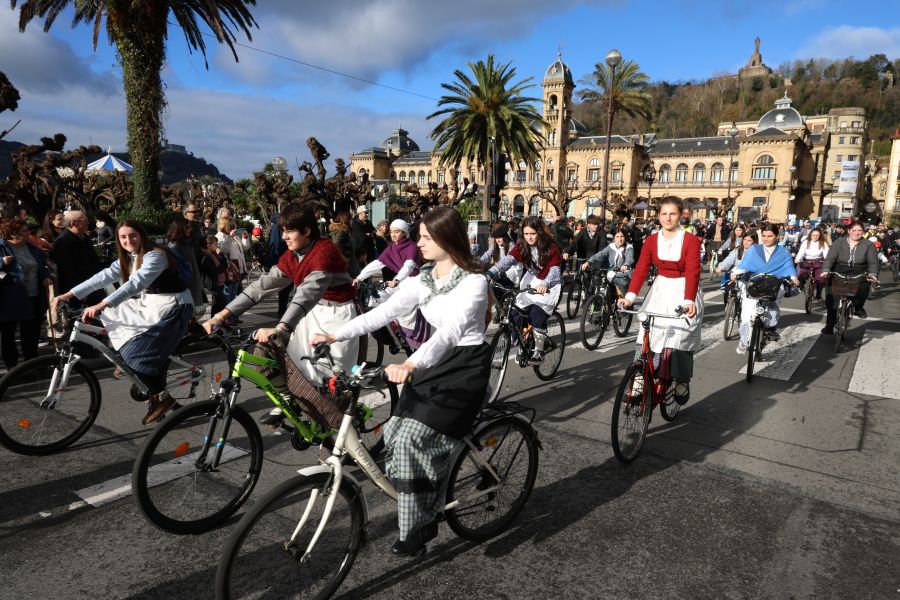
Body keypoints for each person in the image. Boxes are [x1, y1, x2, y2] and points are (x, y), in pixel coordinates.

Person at [311, 206, 490, 557]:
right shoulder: (423, 278)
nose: (418, 243)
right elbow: (383, 312)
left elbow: (451, 333)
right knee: (395, 433)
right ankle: (427, 499)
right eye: (419, 236)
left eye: (426, 237)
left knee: (411, 438)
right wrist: (335, 335)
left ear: (447, 239)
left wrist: (410, 363)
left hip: (464, 368)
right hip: (432, 362)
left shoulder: (474, 281)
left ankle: (420, 524)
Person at [202, 202, 358, 425]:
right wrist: (221, 315)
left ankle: (342, 439)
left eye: (290, 231)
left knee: (329, 383)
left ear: (306, 231)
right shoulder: (292, 256)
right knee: (265, 352)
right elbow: (262, 286)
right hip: (311, 313)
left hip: (337, 317)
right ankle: (288, 400)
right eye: (283, 230)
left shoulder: (325, 251)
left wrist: (281, 327)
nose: (284, 236)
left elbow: (307, 293)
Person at [50, 220, 193, 424]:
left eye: (133, 235)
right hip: (151, 304)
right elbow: (102, 277)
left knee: (135, 357)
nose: (128, 240)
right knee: (116, 320)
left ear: (142, 235)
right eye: (123, 237)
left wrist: (102, 303)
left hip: (173, 306)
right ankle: (135, 364)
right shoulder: (128, 257)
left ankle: (163, 399)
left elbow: (137, 283)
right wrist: (69, 294)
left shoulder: (156, 255)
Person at [619, 198, 702, 405]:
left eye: (673, 214)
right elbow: (641, 269)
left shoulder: (690, 240)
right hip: (661, 288)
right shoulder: (651, 240)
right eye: (664, 214)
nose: (668, 218)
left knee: (680, 337)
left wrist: (689, 300)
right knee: (646, 332)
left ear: (681, 215)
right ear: (658, 216)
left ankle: (682, 379)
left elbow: (693, 271)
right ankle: (639, 377)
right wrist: (629, 296)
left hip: (684, 289)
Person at [488, 216, 562, 363]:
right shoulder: (522, 245)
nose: (529, 237)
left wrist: (546, 284)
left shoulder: (551, 247)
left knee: (536, 312)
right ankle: (525, 342)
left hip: (549, 284)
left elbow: (555, 271)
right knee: (515, 312)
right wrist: (492, 272)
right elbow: (509, 260)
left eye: (532, 234)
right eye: (526, 234)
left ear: (540, 232)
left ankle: (539, 351)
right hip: (531, 279)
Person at [354, 219, 427, 348]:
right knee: (375, 299)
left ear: (404, 233)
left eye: (397, 232)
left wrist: (397, 280)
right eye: (391, 231)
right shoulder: (392, 247)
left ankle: (407, 338)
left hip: (413, 282)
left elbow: (408, 266)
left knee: (405, 313)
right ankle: (390, 330)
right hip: (400, 282)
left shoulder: (411, 247)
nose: (393, 234)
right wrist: (359, 277)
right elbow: (377, 263)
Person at [730, 223, 799, 351]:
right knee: (747, 312)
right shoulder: (754, 249)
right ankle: (744, 340)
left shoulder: (783, 251)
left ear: (777, 237)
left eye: (770, 236)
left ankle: (770, 329)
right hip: (754, 283)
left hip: (774, 284)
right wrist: (736, 273)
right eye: (764, 236)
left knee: (773, 306)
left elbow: (789, 266)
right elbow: (745, 264)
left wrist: (794, 278)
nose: (766, 239)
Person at [0, 218, 53, 370]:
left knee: (31, 332)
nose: (28, 234)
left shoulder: (30, 246)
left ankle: (32, 363)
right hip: (9, 297)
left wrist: (46, 277)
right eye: (24, 231)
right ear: (12, 233)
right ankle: (13, 367)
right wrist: (2, 262)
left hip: (34, 295)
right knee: (8, 334)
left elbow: (40, 266)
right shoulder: (2, 247)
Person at [820, 220, 879, 333]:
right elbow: (830, 258)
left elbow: (873, 263)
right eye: (854, 230)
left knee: (864, 287)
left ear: (863, 232)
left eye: (859, 230)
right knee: (832, 298)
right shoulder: (839, 242)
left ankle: (858, 307)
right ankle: (829, 324)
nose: (857, 233)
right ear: (849, 231)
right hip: (839, 271)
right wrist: (826, 270)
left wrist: (873, 274)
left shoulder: (868, 245)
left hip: (859, 271)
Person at [50, 210, 104, 309]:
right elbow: (67, 271)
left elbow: (94, 260)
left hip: (94, 285)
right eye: (84, 220)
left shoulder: (85, 237)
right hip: (78, 291)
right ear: (74, 224)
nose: (88, 222)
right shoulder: (63, 242)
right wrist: (80, 292)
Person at [582, 227, 634, 296]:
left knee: (622, 288)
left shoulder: (628, 247)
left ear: (625, 237)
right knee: (599, 282)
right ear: (614, 238)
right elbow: (600, 254)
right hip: (611, 273)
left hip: (624, 274)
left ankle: (624, 303)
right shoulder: (611, 247)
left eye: (622, 236)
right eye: (617, 237)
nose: (620, 239)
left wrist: (626, 265)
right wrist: (588, 262)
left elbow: (629, 258)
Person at [166, 217, 202, 306]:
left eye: (190, 227)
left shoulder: (187, 244)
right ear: (179, 229)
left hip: (193, 285)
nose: (190, 230)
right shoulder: (174, 247)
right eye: (187, 227)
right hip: (184, 288)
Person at [716, 232, 758, 300]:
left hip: (749, 277)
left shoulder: (756, 252)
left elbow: (749, 265)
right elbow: (729, 260)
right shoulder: (737, 250)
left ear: (754, 242)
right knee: (728, 291)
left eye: (749, 240)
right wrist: (721, 267)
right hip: (735, 276)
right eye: (745, 239)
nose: (746, 242)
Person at [216, 215, 246, 310]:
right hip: (228, 270)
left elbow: (245, 248)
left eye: (234, 226)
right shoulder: (218, 237)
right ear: (225, 226)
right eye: (231, 226)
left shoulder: (235, 237)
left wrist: (245, 238)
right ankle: (227, 318)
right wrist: (230, 237)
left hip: (237, 269)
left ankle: (232, 317)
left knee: (233, 295)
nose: (234, 228)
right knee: (228, 295)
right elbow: (223, 250)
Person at [794, 227, 829, 301]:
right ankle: (801, 287)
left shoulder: (823, 243)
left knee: (821, 278)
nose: (815, 237)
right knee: (802, 275)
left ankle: (818, 295)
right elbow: (801, 252)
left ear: (820, 236)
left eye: (817, 235)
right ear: (810, 235)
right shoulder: (806, 242)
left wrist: (827, 261)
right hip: (807, 262)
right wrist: (798, 258)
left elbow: (826, 254)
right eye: (813, 235)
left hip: (819, 262)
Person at [199, 235, 228, 316]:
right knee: (219, 304)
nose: (217, 246)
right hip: (213, 283)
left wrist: (221, 254)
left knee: (219, 304)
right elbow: (213, 272)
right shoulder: (206, 257)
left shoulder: (215, 254)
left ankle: (218, 323)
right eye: (215, 244)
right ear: (208, 245)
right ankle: (214, 323)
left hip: (220, 282)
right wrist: (222, 268)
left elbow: (225, 264)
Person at [329, 211, 359, 276]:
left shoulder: (345, 230)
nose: (350, 221)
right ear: (342, 219)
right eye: (348, 219)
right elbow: (337, 244)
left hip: (349, 261)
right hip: (346, 262)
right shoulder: (341, 231)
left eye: (350, 219)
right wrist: (346, 254)